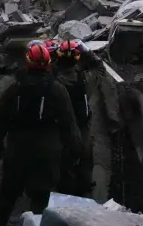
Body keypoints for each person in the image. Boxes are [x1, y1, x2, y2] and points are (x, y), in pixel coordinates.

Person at [0, 44, 80, 226]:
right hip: (46, 153)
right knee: (41, 202)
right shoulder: (57, 90)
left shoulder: (15, 89)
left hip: (17, 151)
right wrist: (74, 152)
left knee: (6, 198)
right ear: (48, 63)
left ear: (27, 61)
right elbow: (69, 124)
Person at [54, 40, 105, 197]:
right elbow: (100, 69)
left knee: (63, 171)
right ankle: (85, 197)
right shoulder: (84, 80)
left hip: (61, 132)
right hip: (82, 129)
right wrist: (87, 52)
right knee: (85, 168)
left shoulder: (54, 83)